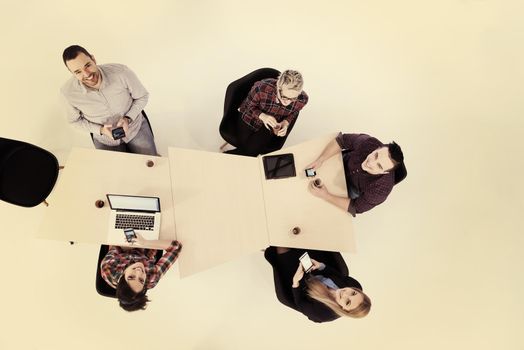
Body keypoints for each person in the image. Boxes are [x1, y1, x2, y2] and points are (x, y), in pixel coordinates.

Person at [60, 45, 158, 155]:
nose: (87, 74)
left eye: (87, 65)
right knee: (114, 172)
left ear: (93, 59)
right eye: (78, 72)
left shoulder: (121, 72)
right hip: (104, 141)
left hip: (136, 129)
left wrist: (128, 118)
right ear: (72, 73)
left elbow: (142, 96)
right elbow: (74, 121)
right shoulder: (68, 93)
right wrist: (101, 130)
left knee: (150, 163)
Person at [307, 132, 407, 216]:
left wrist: (326, 196)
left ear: (385, 172)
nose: (370, 163)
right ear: (378, 148)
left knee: (316, 207)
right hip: (344, 162)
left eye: (379, 166)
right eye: (376, 155)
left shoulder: (380, 191)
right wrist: (321, 159)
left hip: (352, 188)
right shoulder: (368, 142)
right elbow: (341, 141)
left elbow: (355, 207)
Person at [264, 246, 371, 323]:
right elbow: (338, 274)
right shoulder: (354, 285)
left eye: (347, 302)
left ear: (344, 310)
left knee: (283, 248)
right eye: (353, 293)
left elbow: (299, 303)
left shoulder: (322, 313)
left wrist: (296, 282)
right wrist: (321, 266)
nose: (345, 293)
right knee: (306, 237)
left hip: (299, 284)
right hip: (316, 269)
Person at [225, 70, 309, 157]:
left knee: (251, 151)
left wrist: (286, 122)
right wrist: (263, 116)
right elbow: (247, 107)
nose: (287, 102)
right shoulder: (261, 88)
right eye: (284, 97)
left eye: (293, 99)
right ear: (278, 87)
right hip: (249, 119)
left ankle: (226, 157)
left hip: (269, 126)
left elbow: (294, 112)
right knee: (248, 149)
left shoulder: (302, 99)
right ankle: (227, 157)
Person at [100, 235, 182, 311]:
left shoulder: (109, 268)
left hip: (125, 242)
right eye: (141, 280)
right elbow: (176, 248)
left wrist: (132, 237)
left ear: (122, 276)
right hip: (149, 241)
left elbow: (115, 243)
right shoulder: (151, 279)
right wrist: (145, 243)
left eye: (131, 277)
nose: (139, 271)